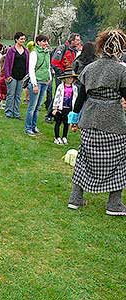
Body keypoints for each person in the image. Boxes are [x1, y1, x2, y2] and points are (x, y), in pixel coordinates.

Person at [67, 29, 126, 216]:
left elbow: (80, 98)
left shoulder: (89, 68)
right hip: (114, 122)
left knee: (84, 157)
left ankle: (75, 199)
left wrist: (74, 119)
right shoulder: (122, 70)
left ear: (101, 46)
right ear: (119, 49)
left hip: (90, 119)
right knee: (119, 161)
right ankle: (114, 204)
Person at [45, 33, 81, 122]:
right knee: (59, 93)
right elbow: (54, 62)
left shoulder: (74, 50)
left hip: (69, 76)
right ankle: (49, 114)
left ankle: (62, 113)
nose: (78, 42)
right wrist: (61, 74)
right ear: (72, 40)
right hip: (61, 75)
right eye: (77, 40)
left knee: (66, 94)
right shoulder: (62, 48)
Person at [24, 35, 51, 136]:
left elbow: (48, 66)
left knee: (38, 107)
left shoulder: (47, 53)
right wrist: (34, 84)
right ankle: (28, 128)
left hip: (44, 81)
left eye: (46, 41)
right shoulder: (34, 53)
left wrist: (49, 78)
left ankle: (34, 126)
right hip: (37, 82)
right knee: (32, 106)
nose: (46, 43)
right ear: (38, 42)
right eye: (44, 41)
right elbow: (31, 69)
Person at [3, 32, 29, 119]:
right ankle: (8, 112)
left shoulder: (26, 51)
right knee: (11, 95)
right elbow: (6, 64)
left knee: (18, 96)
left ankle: (16, 113)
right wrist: (7, 75)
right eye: (21, 39)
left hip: (21, 77)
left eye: (24, 39)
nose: (23, 41)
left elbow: (27, 64)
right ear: (16, 39)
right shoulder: (11, 50)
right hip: (12, 76)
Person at [51, 68, 78, 144]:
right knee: (58, 123)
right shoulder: (60, 87)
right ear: (64, 79)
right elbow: (57, 97)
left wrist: (75, 109)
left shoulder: (75, 88)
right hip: (60, 108)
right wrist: (55, 108)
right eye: (68, 78)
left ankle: (64, 137)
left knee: (66, 123)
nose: (70, 79)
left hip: (69, 108)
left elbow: (75, 98)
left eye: (71, 78)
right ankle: (57, 137)